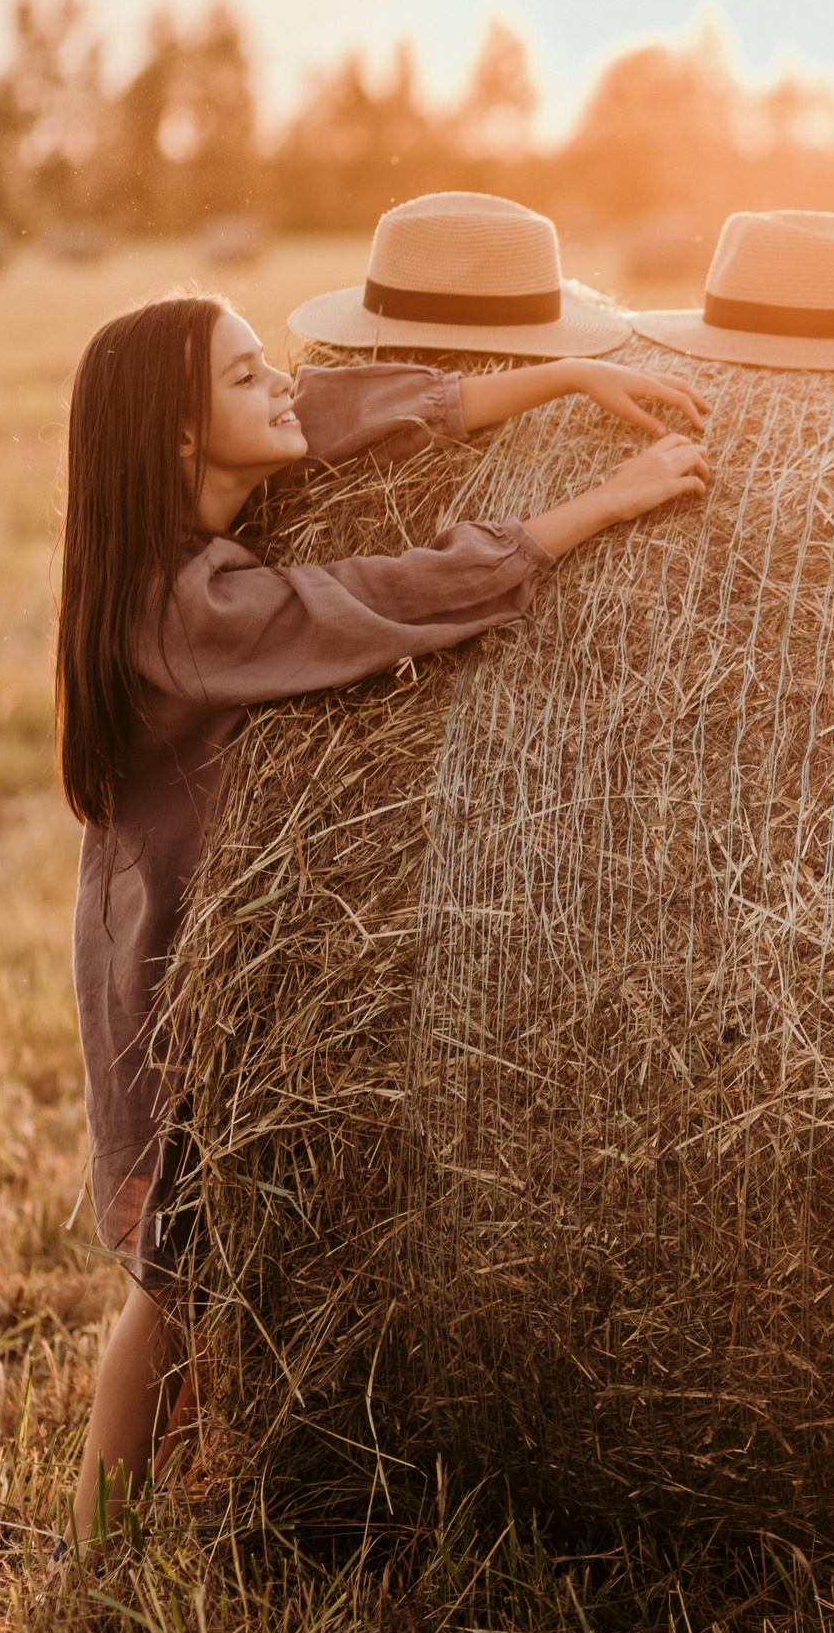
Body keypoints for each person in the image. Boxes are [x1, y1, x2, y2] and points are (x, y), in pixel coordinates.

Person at [56, 289, 710, 1549]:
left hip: (238, 942)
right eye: (249, 381)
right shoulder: (183, 608)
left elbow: (372, 410)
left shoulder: (203, 513)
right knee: (178, 1276)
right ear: (182, 445)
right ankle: (91, 1552)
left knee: (213, 1256)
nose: (284, 389)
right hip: (178, 958)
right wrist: (601, 503)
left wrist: (570, 377)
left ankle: (160, 1504)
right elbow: (383, 599)